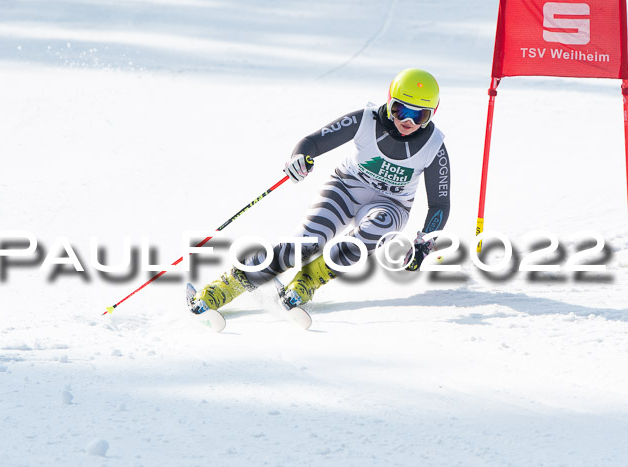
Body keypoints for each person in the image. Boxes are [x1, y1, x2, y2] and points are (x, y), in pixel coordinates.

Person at [188, 68, 451, 315]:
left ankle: (308, 280)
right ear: (389, 100)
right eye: (400, 109)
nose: (407, 120)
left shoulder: (433, 146)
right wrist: (300, 158)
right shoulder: (365, 120)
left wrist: (424, 242)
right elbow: (312, 142)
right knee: (303, 245)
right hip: (346, 188)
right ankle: (225, 286)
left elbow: (439, 204)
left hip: (391, 204)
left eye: (420, 115)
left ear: (432, 113)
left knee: (369, 234)